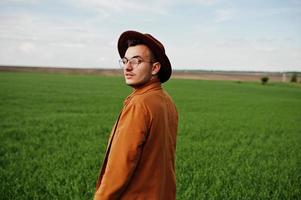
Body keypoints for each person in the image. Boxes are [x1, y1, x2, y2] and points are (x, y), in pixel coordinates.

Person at [94, 30, 178, 200]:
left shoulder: (139, 104)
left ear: (155, 68)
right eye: (125, 61)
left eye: (136, 61)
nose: (127, 67)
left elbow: (121, 164)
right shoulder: (167, 101)